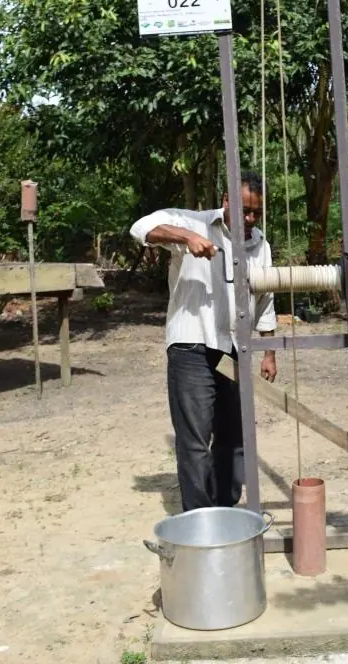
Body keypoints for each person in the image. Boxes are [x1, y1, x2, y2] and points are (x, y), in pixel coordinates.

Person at [130, 170, 277, 513]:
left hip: (232, 348)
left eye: (257, 212)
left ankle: (226, 510)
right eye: (245, 210)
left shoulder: (260, 245)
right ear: (227, 200)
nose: (251, 219)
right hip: (191, 346)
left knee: (233, 437)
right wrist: (185, 237)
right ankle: (199, 519)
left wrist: (269, 352)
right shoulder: (193, 223)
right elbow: (141, 228)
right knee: (195, 440)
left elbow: (266, 299)